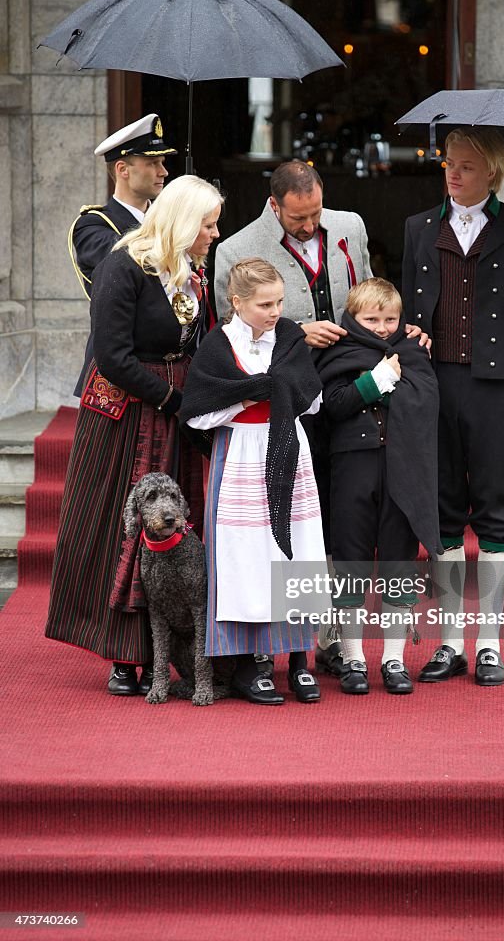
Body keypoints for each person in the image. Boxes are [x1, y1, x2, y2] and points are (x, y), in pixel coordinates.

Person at [45, 175, 221, 696]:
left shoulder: (190, 270)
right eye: (207, 224)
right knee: (117, 532)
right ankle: (124, 655)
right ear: (184, 223)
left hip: (176, 409)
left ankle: (168, 655)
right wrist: (172, 399)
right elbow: (113, 358)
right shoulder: (122, 267)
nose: (214, 234)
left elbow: (196, 342)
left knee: (175, 536)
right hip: (125, 417)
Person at [402, 127, 504, 686]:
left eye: (466, 166)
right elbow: (409, 312)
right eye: (450, 163)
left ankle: (489, 645)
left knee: (495, 514)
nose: (454, 173)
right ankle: (449, 643)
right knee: (445, 512)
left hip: (495, 389)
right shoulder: (419, 228)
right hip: (435, 384)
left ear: (492, 171)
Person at [213, 160, 374, 678]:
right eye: (298, 218)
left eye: (315, 214)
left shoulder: (349, 227)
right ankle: (291, 635)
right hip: (287, 404)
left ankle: (337, 638)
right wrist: (297, 331)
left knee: (342, 516)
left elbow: (366, 296)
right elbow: (230, 335)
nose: (309, 227)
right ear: (274, 204)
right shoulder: (235, 250)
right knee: (294, 522)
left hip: (348, 394)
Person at [180, 259, 327, 706]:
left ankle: (300, 661)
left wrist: (283, 392)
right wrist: (246, 396)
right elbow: (198, 412)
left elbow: (314, 401)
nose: (275, 311)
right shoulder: (218, 347)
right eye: (265, 303)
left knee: (296, 548)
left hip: (287, 448)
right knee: (245, 556)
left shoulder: (289, 339)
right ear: (237, 302)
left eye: (280, 301)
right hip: (241, 452)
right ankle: (248, 665)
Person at [316, 278, 441, 695]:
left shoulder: (412, 351)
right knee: (350, 562)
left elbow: (426, 402)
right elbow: (333, 405)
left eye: (390, 319)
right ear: (353, 318)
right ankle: (353, 658)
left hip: (402, 471)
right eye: (372, 319)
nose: (384, 327)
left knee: (398, 562)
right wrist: (377, 380)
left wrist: (386, 384)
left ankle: (393, 659)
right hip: (352, 467)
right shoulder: (337, 351)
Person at [69, 113, 177, 394]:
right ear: (123, 169)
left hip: (167, 365)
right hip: (118, 369)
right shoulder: (93, 225)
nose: (163, 171)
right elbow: (129, 259)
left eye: (162, 163)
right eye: (153, 163)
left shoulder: (166, 221)